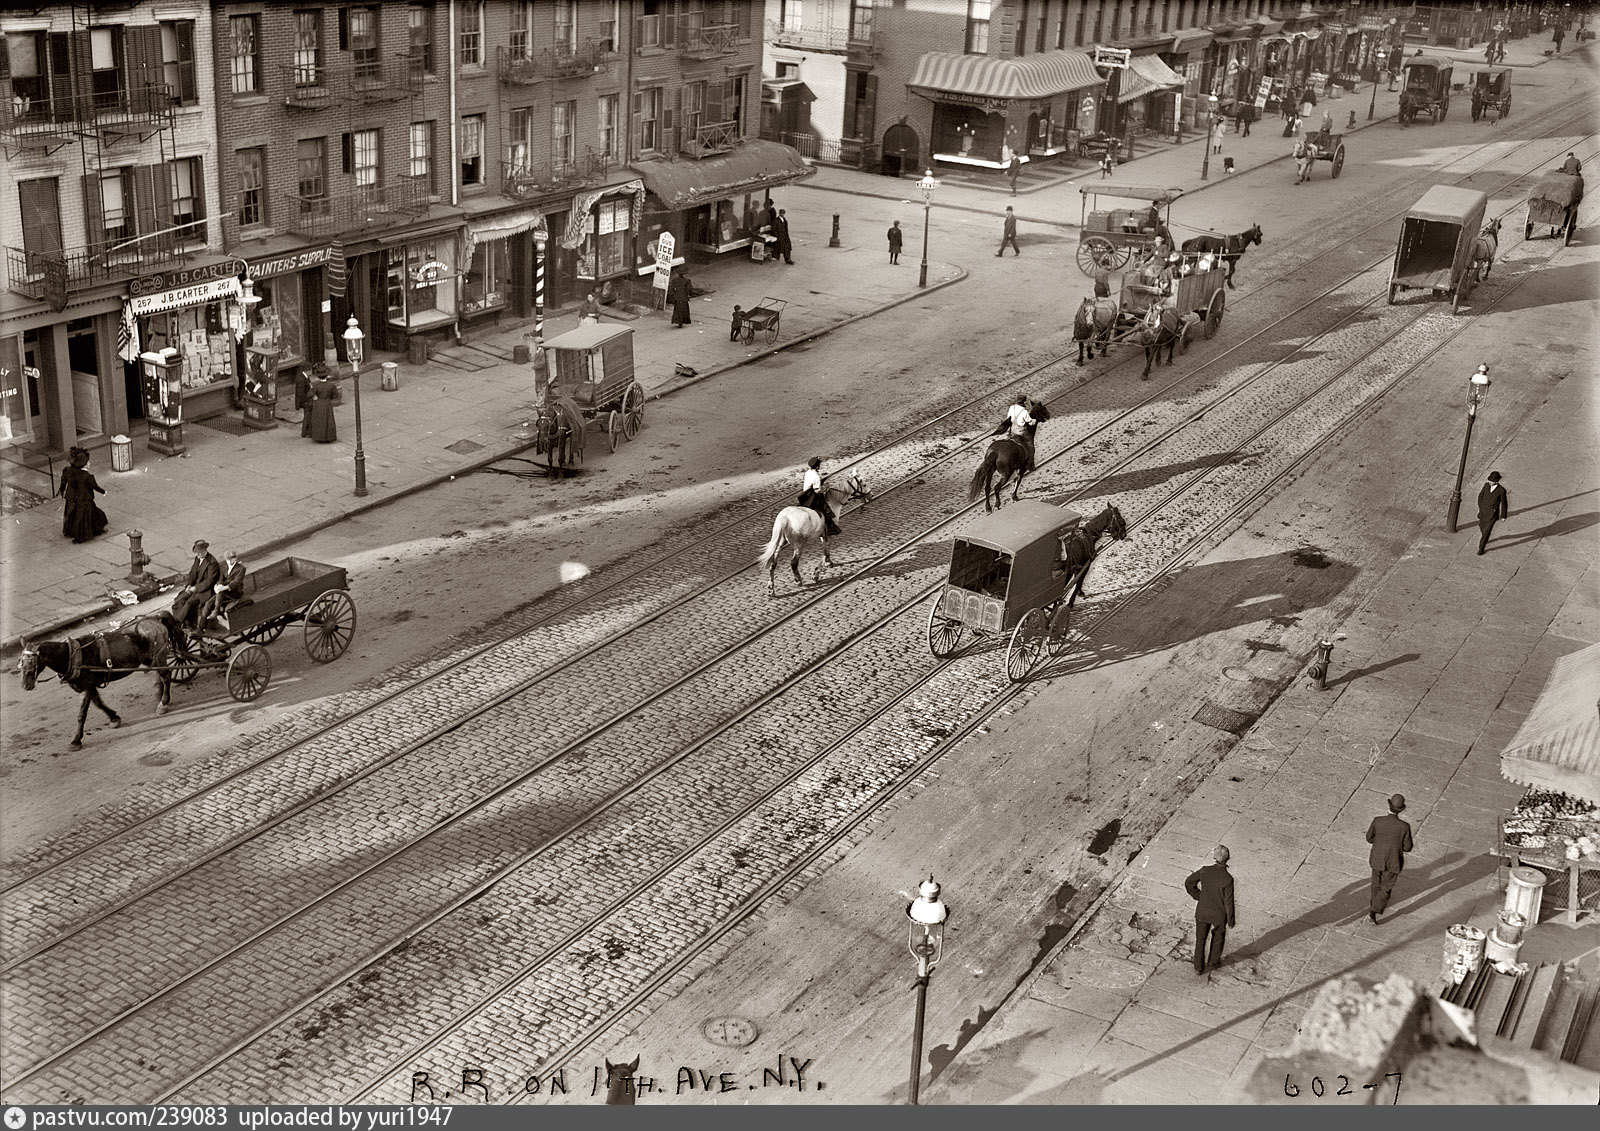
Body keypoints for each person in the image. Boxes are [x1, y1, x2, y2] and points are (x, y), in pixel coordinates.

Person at [1185, 846, 1236, 974]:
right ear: (1228, 859)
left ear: (1214, 857)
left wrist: (1198, 896)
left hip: (1202, 910)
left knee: (1200, 939)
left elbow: (1189, 882)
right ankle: (1213, 962)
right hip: (1218, 914)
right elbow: (1229, 902)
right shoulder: (1228, 879)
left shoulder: (1205, 871)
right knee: (1218, 937)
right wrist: (1231, 920)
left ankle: (1198, 967)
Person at [1366, 794, 1414, 924]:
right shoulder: (1404, 827)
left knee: (1376, 884)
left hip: (1377, 858)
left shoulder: (1377, 820)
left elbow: (1369, 838)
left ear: (1389, 806)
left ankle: (1373, 906)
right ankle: (1373, 911)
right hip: (1393, 861)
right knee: (1386, 887)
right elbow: (1407, 847)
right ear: (1401, 809)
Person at [58, 445, 108, 543]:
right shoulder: (87, 476)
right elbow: (95, 486)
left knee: (72, 514)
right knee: (85, 518)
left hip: (71, 497)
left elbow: (63, 482)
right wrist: (103, 491)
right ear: (83, 464)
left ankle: (70, 531)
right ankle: (81, 535)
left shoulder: (68, 471)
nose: (89, 463)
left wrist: (62, 490)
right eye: (88, 462)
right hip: (84, 499)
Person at [171, 540, 221, 629]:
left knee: (190, 602)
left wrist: (196, 588)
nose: (198, 555)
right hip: (195, 588)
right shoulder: (197, 559)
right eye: (196, 553)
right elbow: (192, 573)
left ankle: (177, 622)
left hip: (207, 591)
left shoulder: (212, 563)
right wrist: (189, 585)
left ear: (205, 550)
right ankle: (186, 622)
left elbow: (209, 581)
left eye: (200, 553)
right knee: (179, 598)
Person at [199, 550, 247, 628]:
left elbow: (236, 582)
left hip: (235, 592)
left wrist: (223, 588)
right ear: (226, 560)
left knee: (221, 592)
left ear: (236, 558)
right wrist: (217, 586)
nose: (231, 561)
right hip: (223, 592)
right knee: (208, 603)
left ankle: (215, 611)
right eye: (228, 560)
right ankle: (201, 627)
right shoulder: (223, 567)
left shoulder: (241, 568)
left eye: (233, 559)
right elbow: (220, 579)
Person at [798, 456, 841, 537]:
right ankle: (830, 528)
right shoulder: (816, 476)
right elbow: (817, 490)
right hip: (812, 497)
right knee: (826, 510)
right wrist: (825, 488)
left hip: (805, 495)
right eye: (819, 464)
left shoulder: (808, 473)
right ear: (817, 466)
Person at [303, 366, 340, 442]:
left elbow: (309, 394)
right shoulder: (331, 385)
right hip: (327, 403)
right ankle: (329, 437)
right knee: (328, 420)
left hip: (319, 403)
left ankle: (319, 437)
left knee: (319, 420)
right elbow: (335, 395)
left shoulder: (316, 386)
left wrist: (315, 396)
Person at [1477, 469, 1509, 554]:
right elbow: (1480, 495)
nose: (1490, 482)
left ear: (1496, 481)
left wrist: (1503, 515)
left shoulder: (1501, 490)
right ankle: (1485, 537)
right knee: (1481, 526)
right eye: (1489, 480)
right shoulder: (1486, 486)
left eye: (1491, 481)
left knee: (1487, 531)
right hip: (1483, 512)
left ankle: (1481, 547)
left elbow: (1504, 503)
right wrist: (1480, 506)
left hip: (1492, 514)